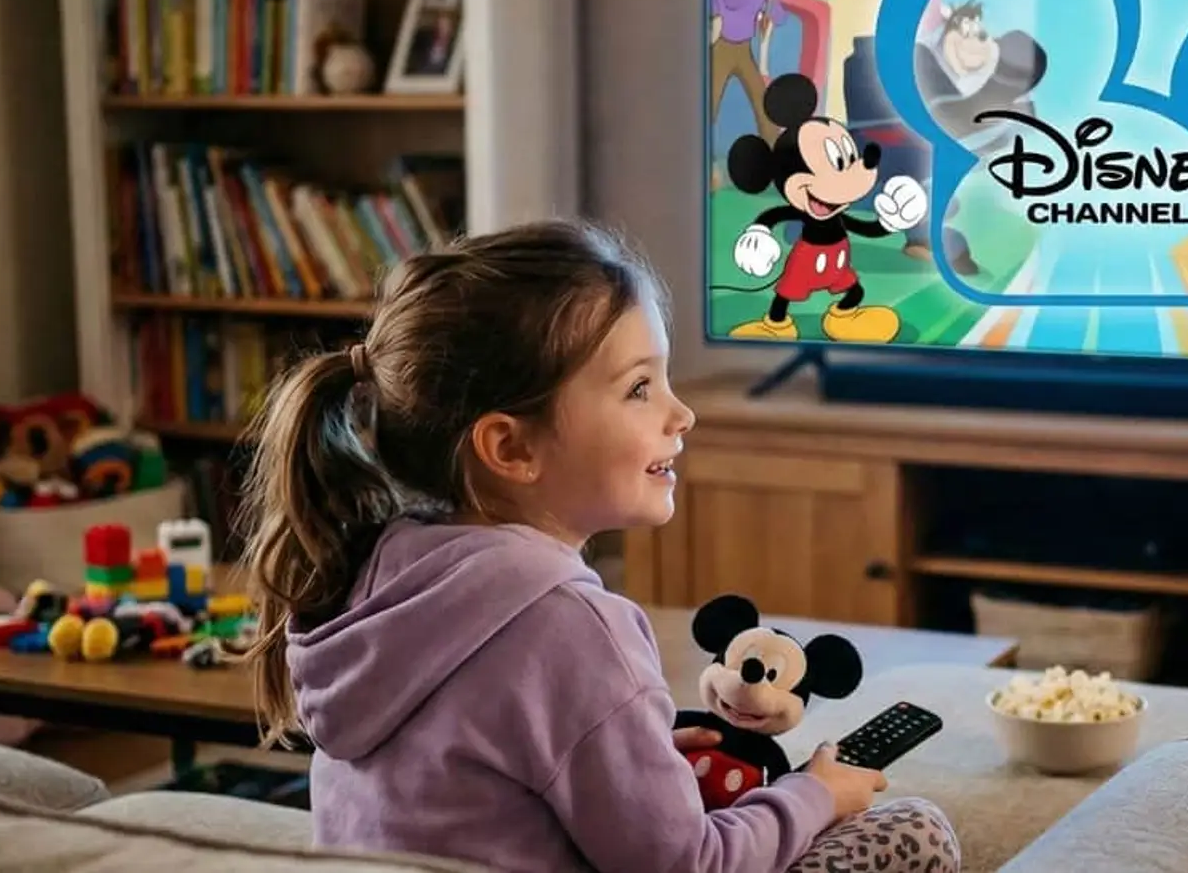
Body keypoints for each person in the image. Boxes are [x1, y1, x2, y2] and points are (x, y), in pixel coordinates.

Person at [236, 221, 961, 873]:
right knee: (914, 830)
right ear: (511, 447)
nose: (682, 413)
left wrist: (633, 772)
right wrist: (811, 795)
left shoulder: (374, 573)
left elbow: (467, 786)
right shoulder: (573, 626)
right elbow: (687, 867)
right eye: (639, 388)